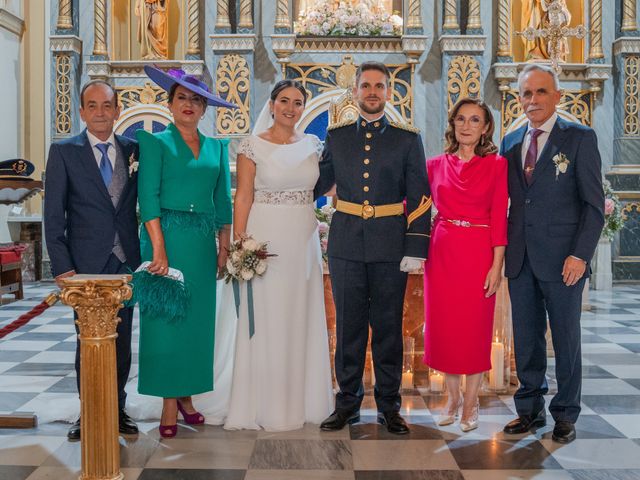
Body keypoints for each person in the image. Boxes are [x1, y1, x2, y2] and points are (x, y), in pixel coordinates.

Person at [314, 61, 431, 435]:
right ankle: (347, 403)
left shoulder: (407, 138)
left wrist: (415, 246)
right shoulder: (337, 136)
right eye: (366, 86)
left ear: (388, 93)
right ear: (356, 91)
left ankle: (388, 406)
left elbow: (421, 197)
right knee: (348, 328)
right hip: (346, 243)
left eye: (379, 86)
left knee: (386, 330)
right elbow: (317, 183)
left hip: (389, 246)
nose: (372, 92)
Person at [501, 64, 604, 443]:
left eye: (541, 92)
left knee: (565, 339)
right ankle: (529, 410)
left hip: (565, 263)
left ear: (558, 96)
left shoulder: (579, 138)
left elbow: (594, 205)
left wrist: (580, 255)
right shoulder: (510, 142)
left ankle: (565, 414)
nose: (533, 100)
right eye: (526, 93)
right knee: (526, 340)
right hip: (521, 259)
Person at [224, 80, 333, 431]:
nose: (290, 107)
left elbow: (330, 186)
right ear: (271, 105)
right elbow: (242, 197)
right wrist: (241, 245)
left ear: (304, 107)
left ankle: (306, 401)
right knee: (267, 317)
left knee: (301, 313)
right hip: (265, 236)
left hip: (302, 237)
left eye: (297, 102)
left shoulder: (314, 145)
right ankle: (262, 402)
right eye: (284, 101)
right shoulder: (251, 146)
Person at [136, 65, 236, 438]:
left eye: (196, 100)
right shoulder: (155, 143)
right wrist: (159, 250)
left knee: (195, 323)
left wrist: (223, 247)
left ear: (204, 108)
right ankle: (167, 400)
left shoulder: (217, 147)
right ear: (171, 103)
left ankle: (187, 397)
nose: (189, 105)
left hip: (200, 244)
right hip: (165, 238)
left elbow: (223, 202)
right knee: (164, 324)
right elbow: (149, 198)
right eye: (182, 98)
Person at [44, 79, 141, 440]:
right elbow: (53, 217)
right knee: (86, 340)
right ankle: (88, 411)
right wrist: (62, 267)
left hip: (124, 261)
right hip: (84, 264)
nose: (101, 113)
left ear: (117, 110)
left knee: (122, 339)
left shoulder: (134, 150)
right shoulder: (64, 152)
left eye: (107, 105)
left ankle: (117, 408)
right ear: (82, 111)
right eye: (93, 106)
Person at [423, 98, 508, 432]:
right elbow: (410, 204)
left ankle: (471, 404)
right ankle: (452, 398)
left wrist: (496, 265)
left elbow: (499, 217)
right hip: (442, 252)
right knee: (444, 329)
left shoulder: (497, 166)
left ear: (486, 127)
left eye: (475, 120)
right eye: (461, 119)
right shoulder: (433, 165)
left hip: (478, 253)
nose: (467, 126)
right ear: (453, 123)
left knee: (474, 331)